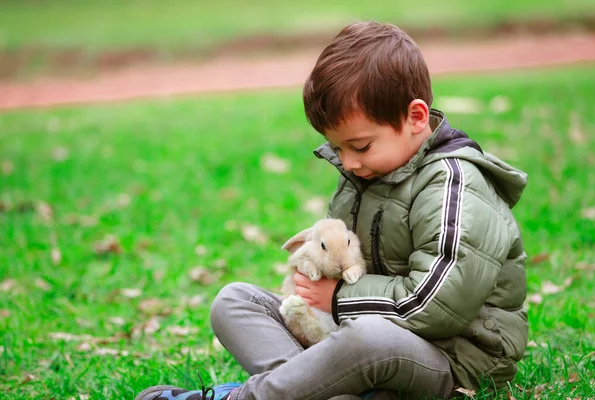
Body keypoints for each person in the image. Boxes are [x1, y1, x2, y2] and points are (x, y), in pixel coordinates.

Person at [135, 20, 528, 400]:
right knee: (234, 301)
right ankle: (322, 391)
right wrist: (312, 283)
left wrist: (337, 297)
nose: (348, 162)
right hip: (359, 333)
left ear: (415, 117)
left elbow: (437, 305)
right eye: (338, 148)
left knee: (368, 341)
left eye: (359, 146)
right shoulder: (367, 174)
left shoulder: (455, 183)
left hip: (454, 357)